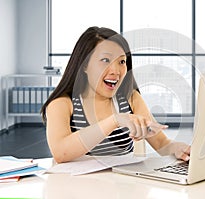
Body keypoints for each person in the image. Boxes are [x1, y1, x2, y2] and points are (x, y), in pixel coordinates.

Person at [41, 26, 190, 163]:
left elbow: (161, 143)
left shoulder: (130, 99)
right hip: (76, 188)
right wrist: (115, 120)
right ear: (84, 65)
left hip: (121, 187)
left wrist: (177, 148)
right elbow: (60, 153)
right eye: (105, 60)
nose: (115, 71)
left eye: (122, 62)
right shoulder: (62, 103)